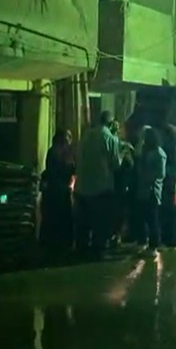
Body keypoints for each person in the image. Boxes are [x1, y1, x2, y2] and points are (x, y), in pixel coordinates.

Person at [74, 110, 121, 259]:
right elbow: (116, 164)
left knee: (83, 223)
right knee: (100, 222)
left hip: (82, 186)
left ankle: (81, 250)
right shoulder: (110, 138)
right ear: (111, 123)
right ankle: (98, 251)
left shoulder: (86, 135)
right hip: (101, 187)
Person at [40, 129, 74, 253]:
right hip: (58, 191)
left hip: (54, 191)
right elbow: (64, 169)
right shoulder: (59, 153)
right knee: (60, 218)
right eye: (68, 138)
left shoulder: (55, 151)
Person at [135, 125, 166, 257]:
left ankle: (153, 246)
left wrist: (146, 176)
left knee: (152, 219)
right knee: (143, 218)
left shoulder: (159, 153)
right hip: (143, 190)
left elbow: (160, 173)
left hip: (152, 191)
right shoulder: (146, 150)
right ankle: (144, 242)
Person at [109, 119, 134, 246]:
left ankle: (117, 234)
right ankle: (113, 234)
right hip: (113, 183)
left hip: (120, 183)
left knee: (119, 211)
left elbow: (130, 164)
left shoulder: (125, 146)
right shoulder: (113, 144)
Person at [160, 124, 176, 248]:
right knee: (165, 211)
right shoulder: (165, 148)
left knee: (171, 211)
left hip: (171, 183)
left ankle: (172, 238)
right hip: (165, 183)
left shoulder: (175, 150)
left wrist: (165, 170)